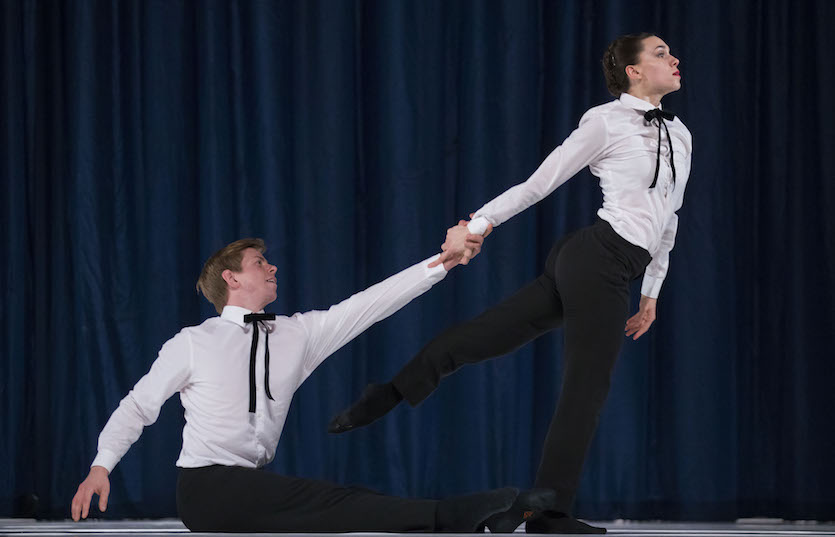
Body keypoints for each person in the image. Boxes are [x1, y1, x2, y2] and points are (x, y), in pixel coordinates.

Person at [329, 33, 692, 535]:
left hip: (606, 263)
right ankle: (547, 514)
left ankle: (389, 392)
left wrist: (651, 292)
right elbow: (538, 184)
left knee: (489, 335)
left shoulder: (682, 134)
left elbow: (669, 216)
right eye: (660, 53)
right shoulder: (604, 122)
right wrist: (475, 226)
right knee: (587, 386)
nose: (673, 58)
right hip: (597, 259)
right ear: (632, 70)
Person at [70, 236, 557, 532]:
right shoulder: (195, 342)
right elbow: (138, 406)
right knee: (332, 503)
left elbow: (371, 303)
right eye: (260, 262)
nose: (272, 267)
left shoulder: (296, 334)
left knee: (338, 504)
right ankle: (453, 517)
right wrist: (101, 466)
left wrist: (443, 263)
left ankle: (462, 518)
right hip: (207, 488)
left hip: (249, 486)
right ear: (231, 279)